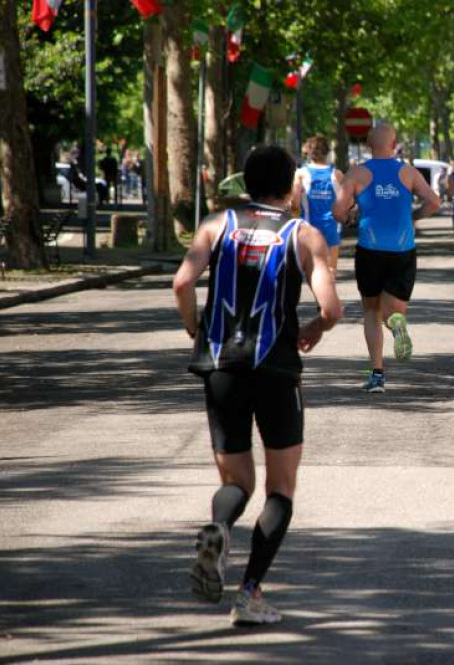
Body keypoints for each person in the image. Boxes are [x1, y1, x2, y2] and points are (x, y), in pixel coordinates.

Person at [172, 145, 344, 626]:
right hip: (276, 367)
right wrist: (315, 328)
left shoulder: (215, 225)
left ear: (246, 183)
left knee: (236, 482)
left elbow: (182, 284)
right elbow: (332, 309)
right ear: (291, 186)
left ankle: (220, 526)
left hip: (221, 366)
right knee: (280, 488)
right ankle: (249, 593)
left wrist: (195, 328)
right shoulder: (302, 234)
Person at [333, 124, 441, 393]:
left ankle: (377, 375)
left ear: (369, 145)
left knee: (371, 311)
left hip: (370, 248)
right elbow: (434, 202)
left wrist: (348, 219)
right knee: (394, 311)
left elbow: (337, 209)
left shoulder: (357, 173)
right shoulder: (408, 172)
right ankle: (397, 324)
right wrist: (414, 217)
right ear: (394, 146)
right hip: (403, 249)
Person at [290, 135, 344, 274]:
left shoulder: (300, 174)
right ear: (327, 152)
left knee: (312, 271)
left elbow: (294, 204)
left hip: (309, 227)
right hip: (332, 228)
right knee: (331, 271)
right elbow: (345, 203)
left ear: (308, 151)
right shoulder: (337, 174)